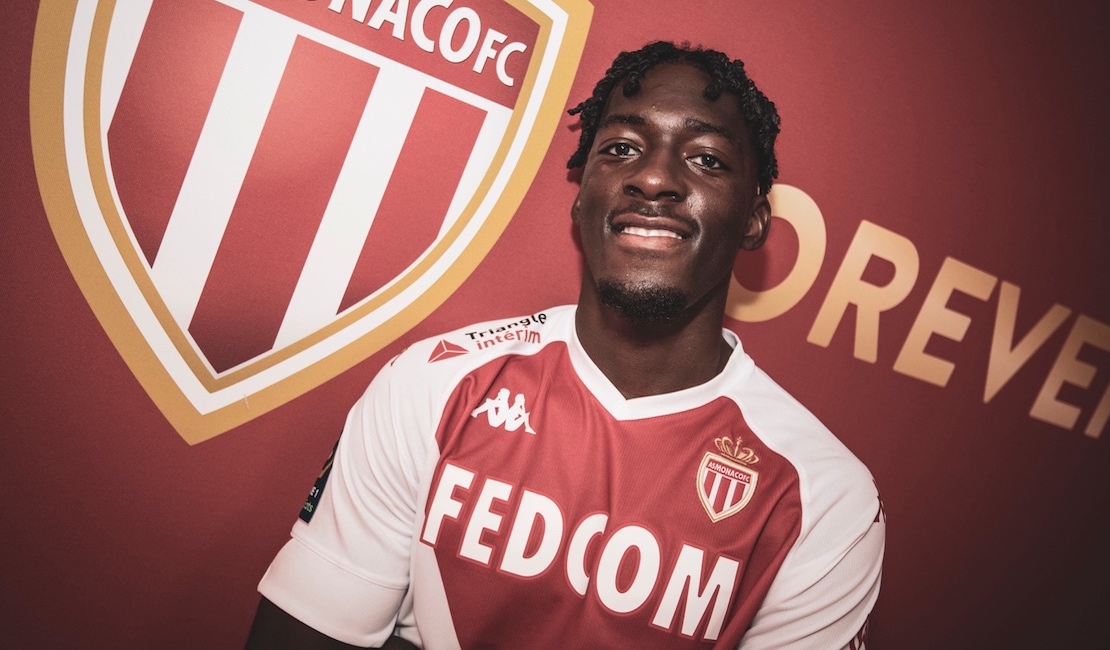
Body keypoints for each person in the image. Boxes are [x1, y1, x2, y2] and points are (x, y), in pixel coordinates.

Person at [247, 41, 883, 649]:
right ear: (581, 203)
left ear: (754, 220)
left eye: (707, 159)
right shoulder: (434, 386)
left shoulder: (822, 497)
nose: (653, 177)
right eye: (622, 148)